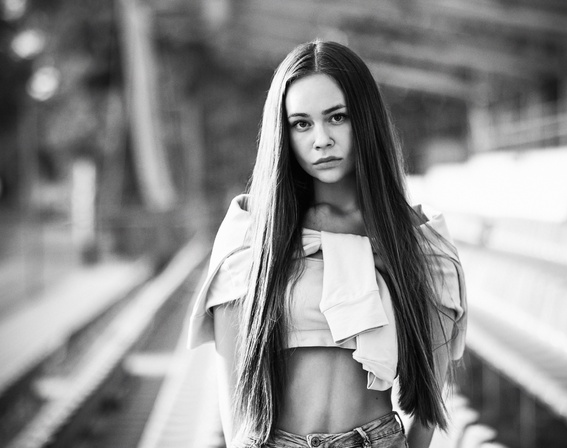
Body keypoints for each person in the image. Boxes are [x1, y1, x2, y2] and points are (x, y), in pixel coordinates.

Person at [188, 40, 467, 448]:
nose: (321, 139)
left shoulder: (418, 241)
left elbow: (427, 406)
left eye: (337, 117)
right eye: (301, 123)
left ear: (365, 120)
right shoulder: (254, 233)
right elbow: (235, 397)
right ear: (283, 132)